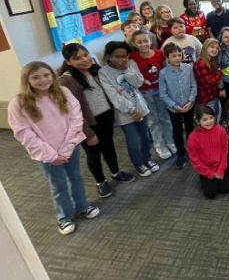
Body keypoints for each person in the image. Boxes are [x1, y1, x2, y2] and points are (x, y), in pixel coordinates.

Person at [8, 62, 100, 235]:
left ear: (52, 75)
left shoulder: (63, 92)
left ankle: (83, 206)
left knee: (76, 177)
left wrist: (66, 149)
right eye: (36, 77)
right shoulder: (18, 104)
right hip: (46, 154)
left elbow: (76, 119)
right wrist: (50, 155)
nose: (43, 80)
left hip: (69, 146)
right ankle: (64, 217)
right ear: (27, 80)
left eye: (46, 75)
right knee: (58, 184)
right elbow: (24, 134)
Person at [59, 44, 135, 198]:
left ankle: (115, 172)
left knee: (109, 146)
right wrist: (87, 132)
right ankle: (100, 181)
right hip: (87, 124)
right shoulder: (66, 81)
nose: (84, 59)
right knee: (93, 153)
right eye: (77, 58)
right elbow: (70, 112)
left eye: (85, 55)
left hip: (105, 117)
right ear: (68, 62)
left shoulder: (96, 70)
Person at [99, 41, 158, 177]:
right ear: (108, 56)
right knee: (133, 141)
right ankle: (138, 164)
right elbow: (114, 96)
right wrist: (132, 111)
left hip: (141, 107)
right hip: (126, 113)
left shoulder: (131, 64)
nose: (120, 59)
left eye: (123, 56)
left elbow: (138, 82)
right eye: (116, 56)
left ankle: (147, 159)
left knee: (145, 137)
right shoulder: (104, 72)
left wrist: (126, 69)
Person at [130, 30, 175, 160]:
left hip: (161, 90)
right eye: (139, 42)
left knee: (164, 117)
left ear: (151, 41)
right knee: (153, 120)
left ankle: (170, 141)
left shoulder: (160, 54)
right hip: (145, 92)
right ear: (134, 43)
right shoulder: (133, 57)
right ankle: (160, 145)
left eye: (145, 41)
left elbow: (167, 69)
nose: (143, 44)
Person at [159, 43, 197, 170]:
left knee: (191, 127)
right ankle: (181, 153)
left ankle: (192, 149)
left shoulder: (188, 68)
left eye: (179, 55)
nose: (177, 58)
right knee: (177, 131)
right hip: (174, 108)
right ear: (167, 57)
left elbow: (193, 85)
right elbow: (163, 94)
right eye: (173, 56)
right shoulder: (163, 73)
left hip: (189, 105)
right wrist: (175, 106)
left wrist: (190, 100)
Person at [187, 105, 229, 199]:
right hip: (205, 169)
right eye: (205, 119)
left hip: (220, 166)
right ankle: (205, 178)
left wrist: (221, 169)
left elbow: (224, 151)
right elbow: (195, 160)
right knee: (210, 194)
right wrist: (208, 173)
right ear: (198, 121)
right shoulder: (193, 138)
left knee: (225, 189)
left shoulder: (220, 131)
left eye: (211, 118)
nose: (209, 121)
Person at [193, 38, 224, 119]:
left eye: (217, 48)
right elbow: (208, 83)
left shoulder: (211, 61)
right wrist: (220, 74)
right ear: (206, 47)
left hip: (213, 96)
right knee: (209, 121)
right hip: (205, 100)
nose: (215, 50)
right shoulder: (201, 63)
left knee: (216, 118)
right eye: (212, 47)